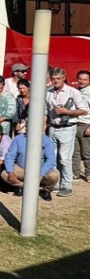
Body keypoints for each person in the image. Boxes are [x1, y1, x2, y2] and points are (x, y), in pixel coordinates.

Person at [46, 67, 89, 198]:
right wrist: (43, 129)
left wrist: (67, 112)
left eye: (58, 79)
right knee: (53, 158)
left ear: (63, 78)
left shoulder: (73, 92)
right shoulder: (48, 93)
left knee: (65, 158)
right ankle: (56, 182)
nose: (55, 81)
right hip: (52, 127)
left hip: (68, 127)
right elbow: (45, 112)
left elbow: (84, 110)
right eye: (53, 79)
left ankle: (67, 185)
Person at [1, 131, 59, 200]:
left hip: (40, 169)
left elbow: (51, 160)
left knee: (55, 175)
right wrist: (10, 171)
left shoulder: (46, 140)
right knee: (5, 174)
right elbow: (10, 156)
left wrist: (41, 174)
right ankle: (22, 186)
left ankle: (45, 190)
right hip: (22, 168)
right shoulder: (18, 139)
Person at [73, 70, 90, 181]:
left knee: (87, 152)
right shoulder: (76, 91)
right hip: (74, 124)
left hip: (86, 124)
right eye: (80, 79)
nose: (82, 81)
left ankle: (89, 174)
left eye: (85, 79)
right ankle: (75, 173)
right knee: (75, 153)